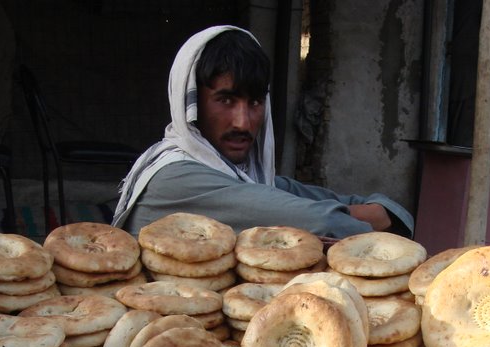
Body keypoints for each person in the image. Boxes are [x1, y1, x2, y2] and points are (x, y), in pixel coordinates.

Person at [112, 25, 413, 239]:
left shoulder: (243, 177)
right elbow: (321, 220)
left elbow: (372, 208)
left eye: (255, 102)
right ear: (191, 104)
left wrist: (383, 212)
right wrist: (373, 216)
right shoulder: (176, 179)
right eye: (226, 100)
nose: (243, 123)